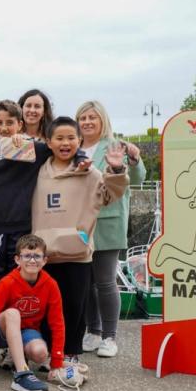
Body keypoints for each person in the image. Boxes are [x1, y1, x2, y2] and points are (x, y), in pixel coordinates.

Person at [31, 116, 128, 370]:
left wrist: (116, 170)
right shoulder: (38, 172)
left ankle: (71, 352)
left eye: (71, 138)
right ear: (49, 142)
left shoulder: (89, 172)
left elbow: (110, 195)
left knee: (75, 306)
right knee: (47, 306)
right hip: (44, 254)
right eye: (59, 138)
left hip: (77, 252)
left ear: (79, 140)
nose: (65, 143)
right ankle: (51, 352)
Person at [74, 101, 145, 359]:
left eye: (92, 117)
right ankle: (93, 331)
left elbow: (135, 179)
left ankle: (109, 336)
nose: (87, 122)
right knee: (86, 282)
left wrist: (134, 160)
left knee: (105, 280)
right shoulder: (73, 146)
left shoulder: (116, 146)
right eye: (83, 118)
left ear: (102, 120)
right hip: (79, 222)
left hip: (108, 221)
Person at [0, 100, 52, 289]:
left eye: (10, 123)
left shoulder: (33, 149)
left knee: (19, 282)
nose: (4, 128)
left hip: (21, 228)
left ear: (20, 124)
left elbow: (62, 147)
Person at [0, 235, 65, 391]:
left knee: (40, 353)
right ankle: (21, 374)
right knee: (13, 313)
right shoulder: (7, 283)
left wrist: (57, 361)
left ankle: (17, 354)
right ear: (17, 259)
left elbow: (57, 323)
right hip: (2, 332)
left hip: (27, 331)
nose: (32, 260)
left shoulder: (51, 285)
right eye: (27, 256)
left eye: (37, 256)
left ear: (44, 260)